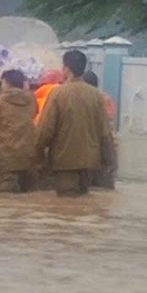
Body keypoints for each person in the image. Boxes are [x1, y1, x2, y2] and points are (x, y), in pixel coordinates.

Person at [36, 50, 110, 197]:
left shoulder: (58, 93)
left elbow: (45, 129)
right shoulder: (96, 95)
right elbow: (104, 131)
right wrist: (107, 161)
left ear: (67, 68)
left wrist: (37, 157)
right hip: (89, 163)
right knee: (83, 203)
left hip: (65, 162)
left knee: (66, 207)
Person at [82, 70, 117, 189]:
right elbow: (109, 119)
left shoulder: (92, 98)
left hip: (94, 147)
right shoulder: (105, 98)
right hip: (106, 146)